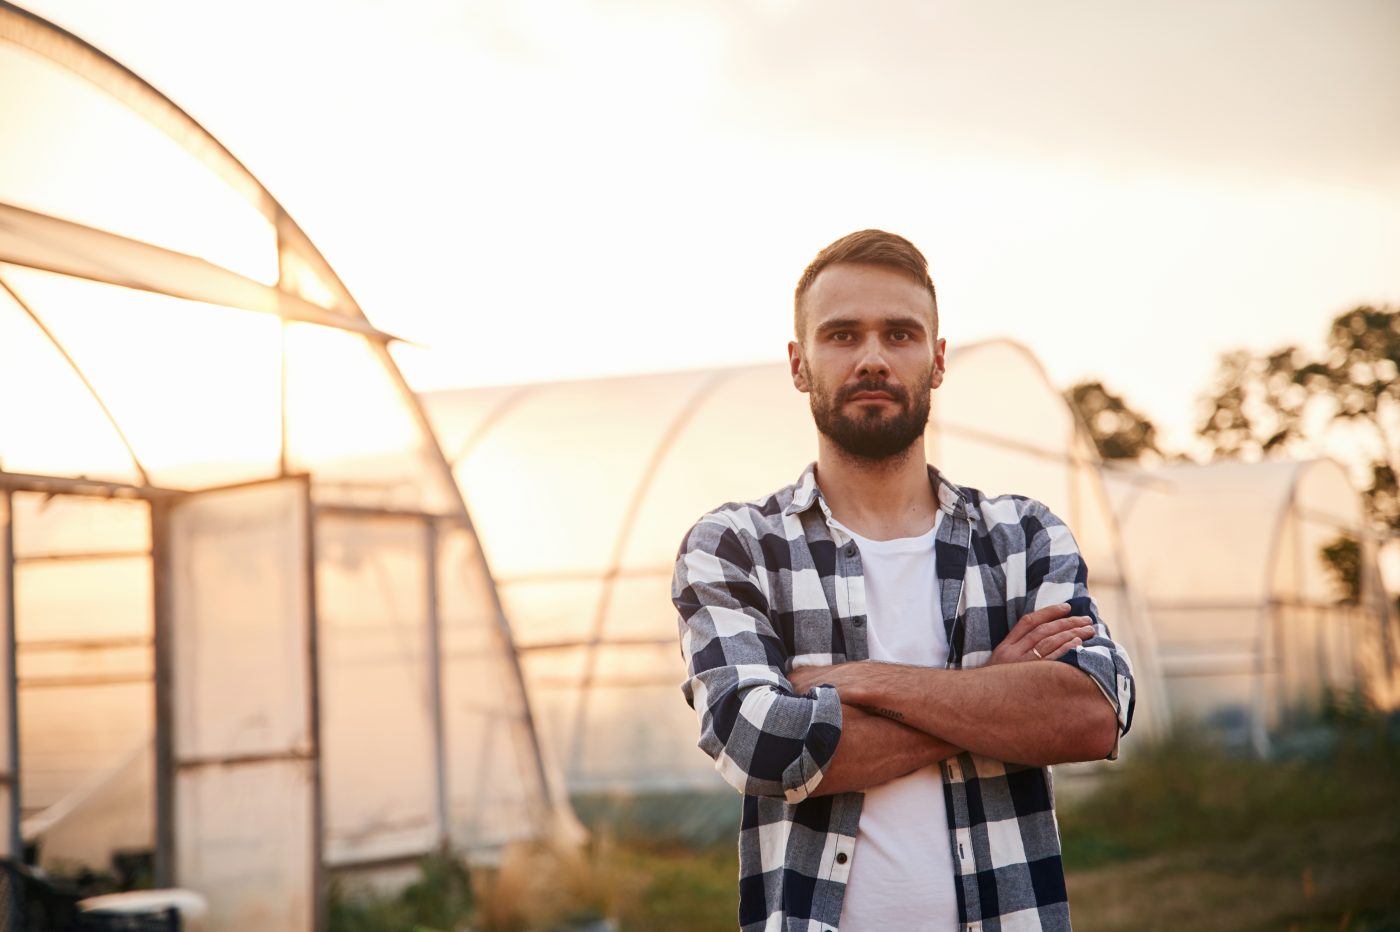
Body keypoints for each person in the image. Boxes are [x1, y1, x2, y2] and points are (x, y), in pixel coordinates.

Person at [671, 229, 1135, 932]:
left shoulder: (1022, 537)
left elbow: (1091, 713)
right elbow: (762, 744)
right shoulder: (737, 548)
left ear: (937, 359)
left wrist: (858, 681)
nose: (873, 358)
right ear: (799, 364)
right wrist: (996, 696)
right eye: (842, 335)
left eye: (900, 334)